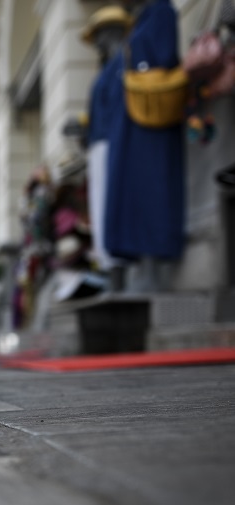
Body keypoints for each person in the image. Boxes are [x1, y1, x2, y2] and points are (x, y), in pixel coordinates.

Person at [104, 0, 185, 292]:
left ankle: (156, 272)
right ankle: (142, 268)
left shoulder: (161, 12)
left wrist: (138, 71)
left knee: (153, 194)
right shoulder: (142, 19)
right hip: (135, 128)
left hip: (152, 123)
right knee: (135, 198)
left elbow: (162, 59)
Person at [81, 6, 132, 285]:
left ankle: (118, 273)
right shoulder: (105, 70)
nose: (98, 42)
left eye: (100, 34)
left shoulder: (124, 62)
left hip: (116, 143)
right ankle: (109, 271)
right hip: (99, 144)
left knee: (114, 207)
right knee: (100, 209)